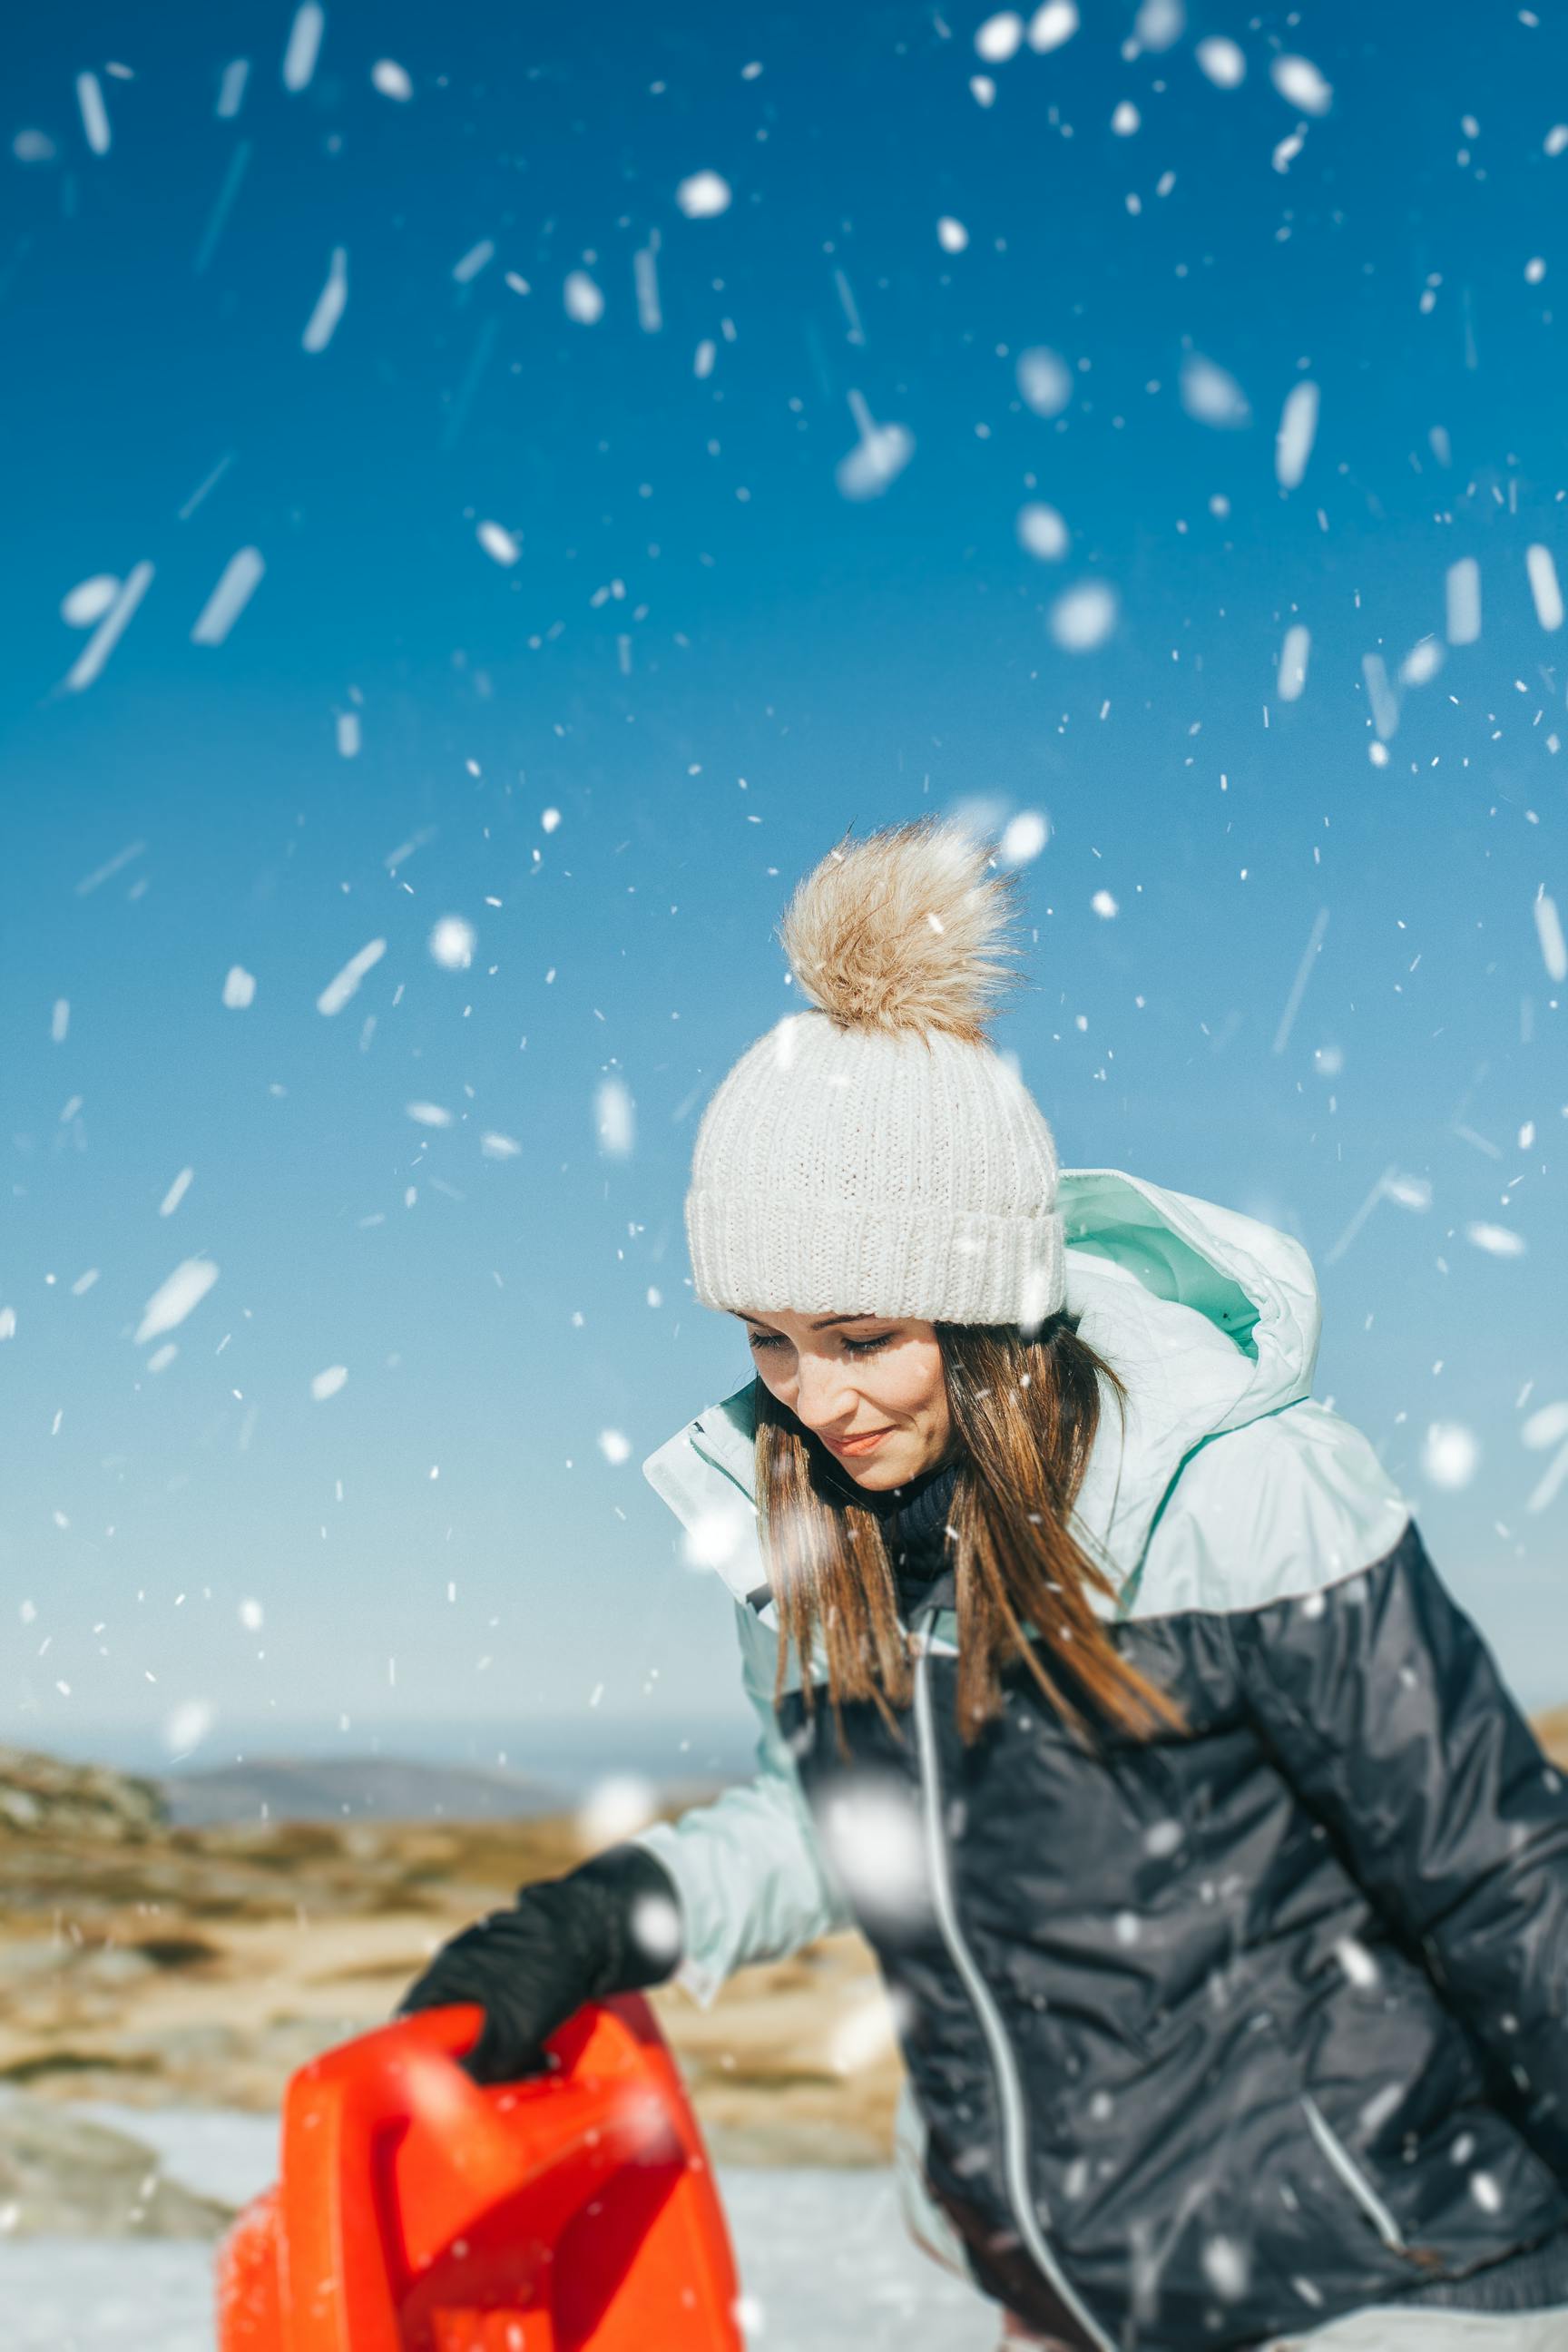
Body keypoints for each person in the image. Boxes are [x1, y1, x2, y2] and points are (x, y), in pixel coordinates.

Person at [399, 818, 1568, 2351]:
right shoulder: (827, 1537)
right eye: (768, 1339)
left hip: (1371, 2289)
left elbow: (1494, 1875)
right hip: (1059, 2296)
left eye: (863, 1333)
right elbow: (847, 1831)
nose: (813, 1399)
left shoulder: (1239, 1493)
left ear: (987, 1307)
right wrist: (605, 1919)